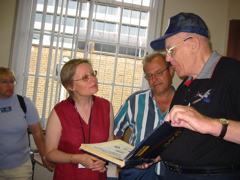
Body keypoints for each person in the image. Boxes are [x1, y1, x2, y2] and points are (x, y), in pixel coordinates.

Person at [149, 12, 240, 179]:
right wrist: (154, 155)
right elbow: (183, 138)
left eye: (170, 50)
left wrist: (209, 123)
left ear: (193, 44)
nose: (168, 58)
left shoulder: (233, 72)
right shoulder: (184, 86)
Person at [45, 58, 114, 180]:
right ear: (70, 86)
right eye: (85, 78)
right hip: (68, 175)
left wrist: (104, 159)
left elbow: (109, 142)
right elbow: (50, 153)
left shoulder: (106, 106)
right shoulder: (59, 111)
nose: (93, 79)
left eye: (92, 74)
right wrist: (76, 158)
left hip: (97, 175)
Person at [114, 53, 175, 179]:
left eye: (158, 73)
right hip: (137, 173)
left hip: (172, 173)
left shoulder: (184, 102)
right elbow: (114, 133)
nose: (154, 79)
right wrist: (122, 161)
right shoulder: (134, 101)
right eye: (149, 76)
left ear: (171, 70)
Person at [0, 67, 52, 179]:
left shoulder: (24, 103)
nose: (10, 85)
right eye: (4, 81)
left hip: (20, 167)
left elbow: (37, 132)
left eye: (12, 81)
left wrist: (44, 156)